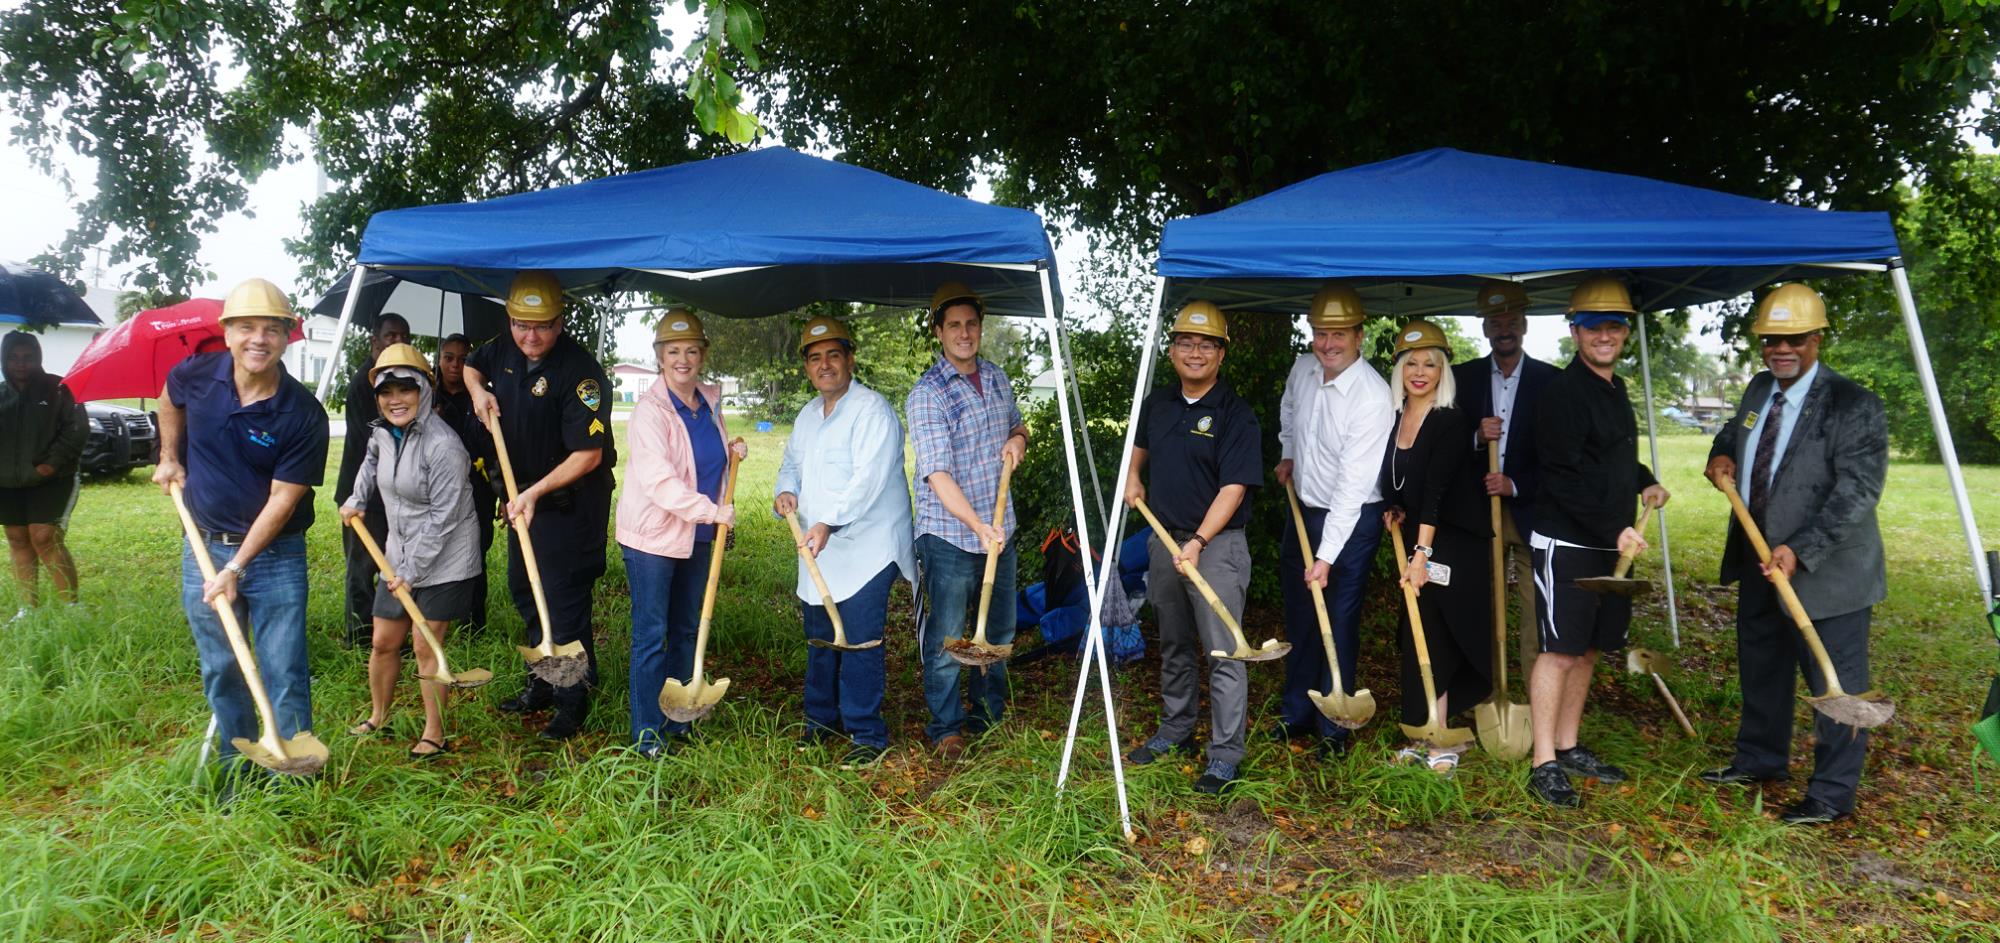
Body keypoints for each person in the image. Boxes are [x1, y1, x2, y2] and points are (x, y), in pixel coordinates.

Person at [1700, 284, 1887, 825]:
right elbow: (1734, 435)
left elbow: (1858, 492)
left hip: (1827, 572)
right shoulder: (1760, 389)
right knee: (1762, 664)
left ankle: (1830, 795)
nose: (1782, 350)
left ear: (1817, 338)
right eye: (1771, 340)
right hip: (1760, 557)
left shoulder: (1855, 404)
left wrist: (1800, 549)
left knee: (1837, 684)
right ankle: (1760, 759)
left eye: (1795, 339)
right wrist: (1719, 456)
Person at [153, 278, 329, 784]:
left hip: (274, 556)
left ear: (287, 338)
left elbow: (282, 501)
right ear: (227, 333)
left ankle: (294, 779)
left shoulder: (302, 415)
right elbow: (168, 399)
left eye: (271, 330)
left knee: (283, 668)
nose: (258, 339)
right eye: (246, 327)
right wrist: (169, 457)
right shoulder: (197, 375)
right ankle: (238, 771)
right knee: (222, 668)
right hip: (203, 546)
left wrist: (236, 567)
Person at [1525, 275, 1669, 808]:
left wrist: (1643, 480)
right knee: (1559, 651)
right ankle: (1543, 762)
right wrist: (1614, 527)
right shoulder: (1562, 394)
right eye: (1593, 328)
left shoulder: (1615, 387)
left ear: (1625, 332)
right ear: (1574, 331)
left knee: (1587, 649)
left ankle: (1568, 745)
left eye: (1613, 326)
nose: (1604, 336)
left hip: (1611, 542)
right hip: (1567, 543)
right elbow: (1562, 477)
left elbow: (1608, 458)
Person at [462, 272, 617, 742]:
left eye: (543, 326)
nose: (531, 336)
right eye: (521, 325)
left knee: (563, 600)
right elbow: (472, 364)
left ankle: (572, 700)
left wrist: (532, 494)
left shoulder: (581, 373)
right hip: (522, 498)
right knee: (525, 590)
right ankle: (544, 682)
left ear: (561, 320)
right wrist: (478, 391)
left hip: (569, 503)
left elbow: (588, 455)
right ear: (510, 319)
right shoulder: (503, 349)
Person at [1123, 301, 1262, 796]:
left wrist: (1200, 541)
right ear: (1172, 349)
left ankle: (1225, 755)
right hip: (1163, 541)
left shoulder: (1235, 415)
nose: (1195, 352)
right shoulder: (1158, 404)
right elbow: (1139, 447)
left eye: (1206, 344)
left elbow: (1234, 488)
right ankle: (1176, 730)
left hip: (1217, 549)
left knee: (1224, 652)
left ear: (1221, 354)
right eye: (1186, 342)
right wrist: (1135, 476)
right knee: (1175, 644)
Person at [774, 315, 914, 771]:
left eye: (834, 354)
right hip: (820, 547)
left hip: (868, 546)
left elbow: (867, 481)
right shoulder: (808, 415)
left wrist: (829, 524)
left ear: (850, 359)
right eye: (815, 358)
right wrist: (785, 490)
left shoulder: (872, 410)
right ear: (807, 368)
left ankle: (866, 734)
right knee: (819, 636)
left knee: (857, 640)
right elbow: (791, 462)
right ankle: (820, 723)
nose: (825, 365)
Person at [339, 344, 482, 760]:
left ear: (423, 392)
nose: (395, 400)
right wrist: (356, 498)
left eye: (406, 389)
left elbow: (443, 519)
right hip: (399, 552)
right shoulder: (383, 433)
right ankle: (378, 715)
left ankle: (434, 733)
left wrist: (411, 571)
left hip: (447, 557)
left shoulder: (444, 447)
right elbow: (369, 463)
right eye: (386, 392)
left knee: (424, 645)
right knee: (383, 640)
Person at [908, 282, 1030, 761]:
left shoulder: (998, 378)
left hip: (1002, 530)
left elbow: (1018, 423)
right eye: (954, 324)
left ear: (981, 328)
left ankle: (987, 716)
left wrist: (1018, 440)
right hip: (951, 534)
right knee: (949, 638)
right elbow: (936, 474)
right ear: (939, 332)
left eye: (971, 323)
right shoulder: (928, 394)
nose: (964, 332)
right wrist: (978, 527)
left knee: (998, 634)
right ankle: (946, 729)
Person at [616, 310, 745, 758]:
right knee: (652, 635)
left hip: (699, 534)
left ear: (703, 355)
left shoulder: (707, 402)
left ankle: (679, 720)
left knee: (687, 629)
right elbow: (661, 483)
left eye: (691, 350)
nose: (683, 359)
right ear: (659, 357)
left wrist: (732, 453)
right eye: (673, 351)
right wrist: (712, 512)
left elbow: (705, 460)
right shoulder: (649, 413)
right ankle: (647, 733)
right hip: (653, 539)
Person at [1273, 282, 1393, 759]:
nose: (1328, 344)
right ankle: (1296, 713)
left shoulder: (1372, 396)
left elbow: (1351, 486)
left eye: (1339, 334)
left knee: (1337, 619)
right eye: (1321, 332)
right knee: (1301, 615)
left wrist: (1325, 556)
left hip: (1354, 520)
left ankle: (1334, 729)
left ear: (1360, 336)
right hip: (1303, 510)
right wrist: (1288, 453)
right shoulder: (1303, 368)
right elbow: (1288, 410)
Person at [1378, 320, 1493, 775]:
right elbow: (1401, 482)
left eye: (1430, 363)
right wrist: (1394, 507)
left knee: (1440, 636)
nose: (1420, 372)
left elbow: (1438, 492)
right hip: (1418, 537)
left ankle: (1440, 738)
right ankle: (1421, 728)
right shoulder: (1394, 416)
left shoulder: (1450, 419)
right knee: (1414, 632)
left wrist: (1423, 555)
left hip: (1455, 543)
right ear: (1400, 370)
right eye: (1412, 363)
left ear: (1443, 370)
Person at [1451, 281, 1560, 683]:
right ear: (1484, 330)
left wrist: (1515, 485)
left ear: (1525, 325)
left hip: (1533, 511)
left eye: (1511, 320)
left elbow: (1559, 457)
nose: (1504, 328)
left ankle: (1537, 695)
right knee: (1484, 604)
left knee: (1535, 612)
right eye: (1495, 322)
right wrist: (1477, 438)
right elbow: (1445, 446)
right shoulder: (1463, 379)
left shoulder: (1552, 382)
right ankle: (1486, 687)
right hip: (1481, 515)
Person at [334, 313, 411, 647]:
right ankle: (359, 638)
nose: (398, 342)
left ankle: (391, 633)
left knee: (394, 565)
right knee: (363, 568)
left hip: (395, 494)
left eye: (404, 336)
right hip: (362, 496)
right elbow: (379, 436)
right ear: (375, 342)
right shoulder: (365, 384)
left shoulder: (407, 380)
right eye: (391, 336)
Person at [1, 332, 86, 621]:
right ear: (4, 360)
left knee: (44, 536)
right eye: (13, 358)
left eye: (28, 358)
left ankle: (72, 609)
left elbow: (76, 431)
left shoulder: (60, 388)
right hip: (8, 481)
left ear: (39, 358)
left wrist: (51, 464)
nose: (20, 365)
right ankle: (28, 609)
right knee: (17, 538)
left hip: (53, 478)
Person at [433, 333, 499, 634]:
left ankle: (475, 621)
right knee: (438, 549)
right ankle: (437, 617)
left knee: (475, 549)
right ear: (439, 359)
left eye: (463, 359)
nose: (455, 365)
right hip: (436, 488)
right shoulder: (426, 394)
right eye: (448, 357)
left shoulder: (482, 396)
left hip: (477, 485)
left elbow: (494, 447)